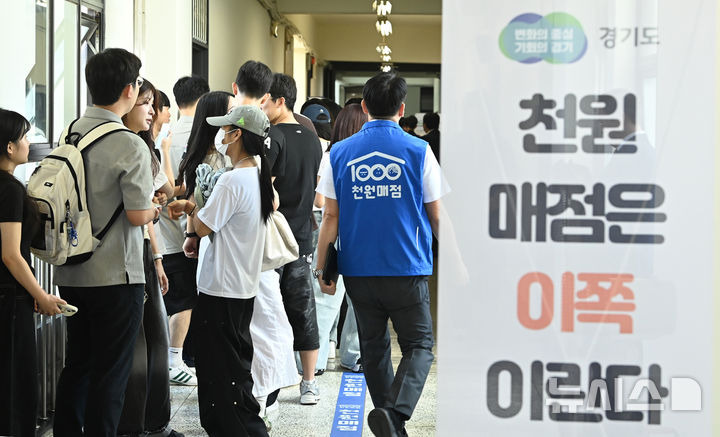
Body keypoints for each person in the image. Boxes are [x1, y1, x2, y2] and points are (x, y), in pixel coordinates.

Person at [315, 72, 447, 437]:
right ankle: (395, 413)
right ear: (402, 109)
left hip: (358, 270)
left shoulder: (339, 152)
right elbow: (437, 215)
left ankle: (390, 423)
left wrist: (322, 268)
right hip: (406, 267)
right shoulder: (419, 151)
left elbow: (330, 216)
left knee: (373, 347)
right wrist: (459, 262)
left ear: (364, 107)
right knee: (419, 345)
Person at [53, 48, 157, 437]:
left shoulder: (70, 132)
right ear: (129, 90)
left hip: (71, 272)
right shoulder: (130, 144)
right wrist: (155, 210)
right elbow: (137, 215)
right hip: (116, 275)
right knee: (111, 374)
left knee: (78, 364)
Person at [167, 105, 273, 437]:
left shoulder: (232, 180)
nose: (221, 137)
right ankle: (245, 426)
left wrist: (190, 207)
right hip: (242, 285)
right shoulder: (257, 175)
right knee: (235, 366)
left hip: (221, 288)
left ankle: (240, 430)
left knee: (219, 371)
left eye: (225, 130)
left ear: (237, 134)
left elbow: (202, 227)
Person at [231, 60, 298, 418]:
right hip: (254, 253)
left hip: (231, 252)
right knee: (268, 326)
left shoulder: (229, 125)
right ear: (268, 95)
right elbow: (269, 196)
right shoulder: (263, 129)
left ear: (235, 86)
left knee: (251, 327)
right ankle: (259, 400)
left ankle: (251, 398)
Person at [118, 78, 183, 437]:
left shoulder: (144, 146)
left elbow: (163, 195)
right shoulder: (124, 146)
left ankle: (154, 423)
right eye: (146, 103)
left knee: (155, 337)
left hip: (142, 249)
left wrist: (157, 258)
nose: (153, 112)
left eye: (154, 105)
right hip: (124, 254)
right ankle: (140, 425)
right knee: (140, 343)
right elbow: (144, 211)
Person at [0, 109, 66, 437]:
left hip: (10, 296)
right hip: (10, 300)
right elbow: (11, 255)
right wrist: (40, 294)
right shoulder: (9, 189)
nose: (29, 142)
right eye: (25, 137)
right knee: (16, 385)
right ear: (10, 147)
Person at [262, 73, 323, 405]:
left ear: (280, 101)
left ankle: (271, 381)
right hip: (302, 237)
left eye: (265, 101)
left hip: (273, 239)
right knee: (303, 309)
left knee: (269, 311)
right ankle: (309, 383)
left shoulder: (273, 137)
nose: (262, 106)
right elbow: (317, 194)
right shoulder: (313, 139)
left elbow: (266, 190)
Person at [157, 75, 209, 385]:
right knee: (188, 300)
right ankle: (179, 359)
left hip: (165, 235)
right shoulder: (207, 135)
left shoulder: (165, 135)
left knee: (175, 297)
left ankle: (176, 358)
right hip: (195, 231)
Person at [311, 103, 365, 375]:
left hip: (332, 233)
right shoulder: (343, 156)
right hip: (352, 233)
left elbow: (322, 203)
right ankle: (352, 355)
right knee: (356, 302)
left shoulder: (332, 154)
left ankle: (315, 361)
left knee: (325, 298)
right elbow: (321, 201)